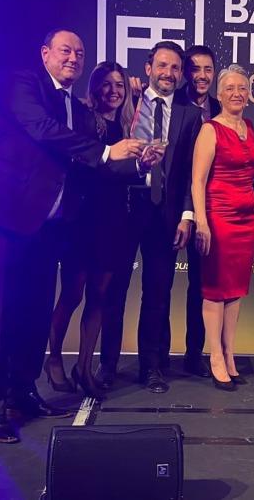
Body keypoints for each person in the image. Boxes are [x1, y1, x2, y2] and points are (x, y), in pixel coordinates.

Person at [0, 29, 146, 443]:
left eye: (79, 53)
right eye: (65, 50)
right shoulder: (23, 85)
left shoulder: (77, 110)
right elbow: (43, 130)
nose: (73, 58)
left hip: (47, 226)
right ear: (45, 53)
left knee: (34, 310)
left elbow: (93, 161)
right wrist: (105, 151)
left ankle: (23, 391)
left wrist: (136, 159)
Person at [98, 41, 203, 394]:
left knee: (158, 292)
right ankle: (107, 365)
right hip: (124, 208)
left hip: (165, 212)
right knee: (115, 290)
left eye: (175, 68)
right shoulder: (128, 101)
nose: (168, 73)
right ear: (148, 68)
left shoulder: (190, 115)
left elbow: (190, 171)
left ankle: (151, 367)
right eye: (162, 65)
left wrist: (187, 215)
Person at [43, 61, 141, 398]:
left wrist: (142, 163)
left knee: (100, 296)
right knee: (72, 293)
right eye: (107, 84)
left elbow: (123, 174)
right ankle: (54, 358)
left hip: (114, 221)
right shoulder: (83, 119)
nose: (114, 91)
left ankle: (84, 368)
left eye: (120, 85)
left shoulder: (127, 125)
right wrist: (120, 160)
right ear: (95, 87)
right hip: (82, 219)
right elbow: (86, 166)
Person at [192, 64, 254, 391]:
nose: (237, 93)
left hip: (248, 219)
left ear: (249, 94)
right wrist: (201, 221)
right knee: (215, 289)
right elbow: (198, 181)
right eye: (230, 88)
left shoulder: (249, 126)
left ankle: (230, 354)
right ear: (219, 95)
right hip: (218, 216)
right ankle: (215, 357)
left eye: (242, 88)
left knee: (235, 290)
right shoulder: (210, 130)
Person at [171, 45, 222, 379]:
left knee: (201, 286)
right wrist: (185, 213)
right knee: (158, 287)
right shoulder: (171, 103)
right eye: (195, 69)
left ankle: (194, 354)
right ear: (185, 73)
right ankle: (155, 360)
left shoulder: (219, 109)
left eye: (208, 69)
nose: (202, 76)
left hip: (209, 209)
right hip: (172, 208)